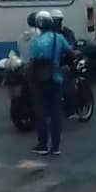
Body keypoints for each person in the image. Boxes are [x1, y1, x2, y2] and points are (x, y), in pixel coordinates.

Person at [28, 11, 73, 156]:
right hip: (56, 79)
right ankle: (55, 147)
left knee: (40, 113)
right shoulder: (58, 38)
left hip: (39, 81)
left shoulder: (35, 41)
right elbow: (70, 52)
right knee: (55, 114)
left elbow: (31, 62)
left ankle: (42, 144)